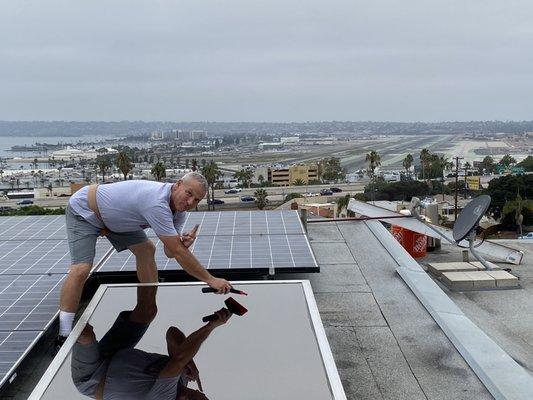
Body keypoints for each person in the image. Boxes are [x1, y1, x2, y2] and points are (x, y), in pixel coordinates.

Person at [57, 172, 232, 347]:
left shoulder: (178, 212)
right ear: (178, 184)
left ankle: (148, 300)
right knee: (81, 268)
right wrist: (210, 279)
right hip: (86, 211)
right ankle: (63, 334)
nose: (190, 202)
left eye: (197, 200)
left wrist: (183, 244)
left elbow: (170, 252)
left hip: (118, 220)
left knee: (147, 250)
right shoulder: (156, 203)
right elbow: (176, 252)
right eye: (189, 193)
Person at [72, 285, 230, 399]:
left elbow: (179, 359)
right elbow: (172, 333)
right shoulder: (182, 377)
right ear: (200, 393)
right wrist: (189, 361)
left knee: (84, 334)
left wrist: (210, 327)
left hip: (92, 377)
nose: (185, 399)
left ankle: (65, 311)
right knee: (147, 311)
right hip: (114, 353)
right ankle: (144, 253)